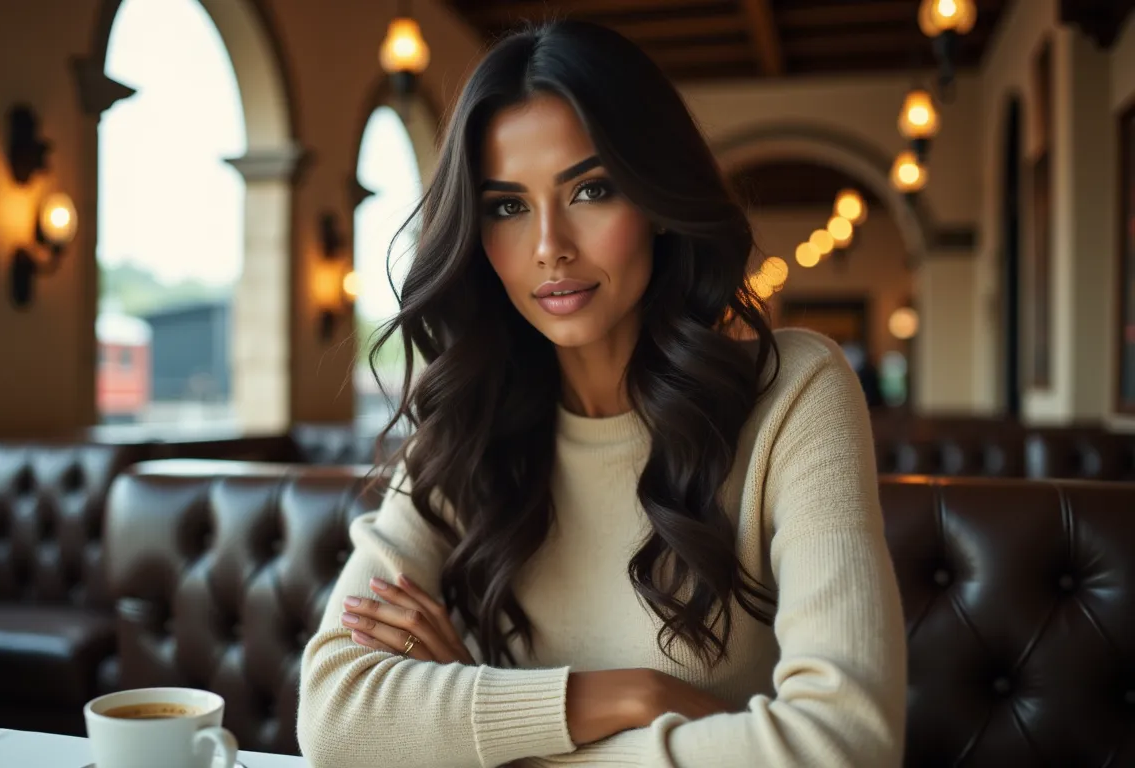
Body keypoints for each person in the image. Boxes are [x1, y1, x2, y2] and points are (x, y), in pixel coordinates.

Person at [297, 20, 906, 767]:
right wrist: (636, 697)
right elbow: (335, 716)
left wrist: (485, 723)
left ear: (654, 199)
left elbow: (845, 746)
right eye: (507, 205)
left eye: (591, 189)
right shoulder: (461, 421)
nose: (550, 244)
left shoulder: (795, 394)